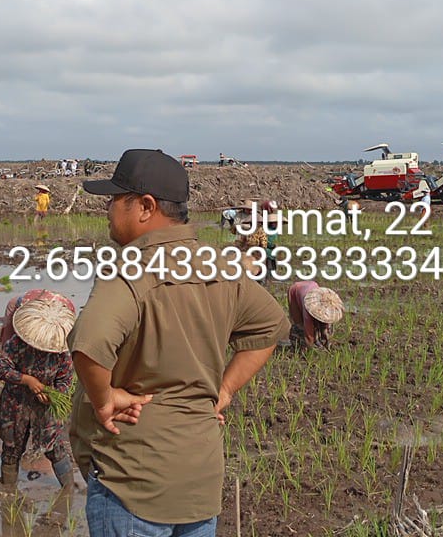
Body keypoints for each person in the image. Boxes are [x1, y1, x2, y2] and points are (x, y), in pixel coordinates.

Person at [69, 149, 288, 535]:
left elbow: (90, 341)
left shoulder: (132, 269)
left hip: (131, 480)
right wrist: (225, 390)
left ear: (145, 206)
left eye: (115, 199)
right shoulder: (221, 265)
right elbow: (269, 327)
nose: (107, 208)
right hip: (199, 481)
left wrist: (104, 402)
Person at [0, 290, 77, 488]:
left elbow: (66, 380)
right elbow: (1, 368)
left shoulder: (61, 352)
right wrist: (27, 380)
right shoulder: (17, 343)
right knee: (12, 448)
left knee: (55, 448)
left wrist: (54, 394)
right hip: (16, 402)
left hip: (45, 407)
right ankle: (8, 493)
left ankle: (69, 491)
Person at [286, 281, 345, 348]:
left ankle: (321, 340)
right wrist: (310, 346)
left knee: (322, 324)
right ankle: (297, 343)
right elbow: (309, 335)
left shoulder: (326, 296)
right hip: (294, 290)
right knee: (299, 324)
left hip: (310, 285)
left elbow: (327, 322)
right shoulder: (308, 310)